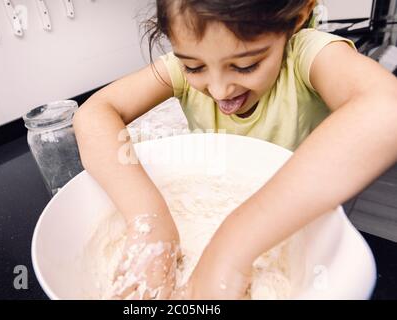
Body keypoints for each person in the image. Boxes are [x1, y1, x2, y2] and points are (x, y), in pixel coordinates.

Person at [73, 0, 397, 299]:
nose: (218, 89)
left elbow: (387, 110)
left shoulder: (306, 55)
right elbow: (93, 114)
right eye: (195, 68)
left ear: (296, 19)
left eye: (245, 66)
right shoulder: (181, 69)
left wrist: (229, 249)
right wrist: (150, 220)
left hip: (306, 228)